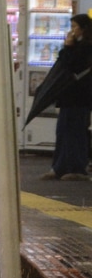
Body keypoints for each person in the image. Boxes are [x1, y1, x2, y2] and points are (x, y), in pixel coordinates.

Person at [43, 12, 92, 180]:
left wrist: (68, 46)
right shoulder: (78, 45)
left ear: (84, 29)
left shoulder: (86, 47)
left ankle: (77, 168)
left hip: (80, 97)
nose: (72, 31)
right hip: (70, 96)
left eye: (75, 27)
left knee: (75, 132)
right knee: (63, 131)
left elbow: (71, 64)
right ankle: (60, 166)